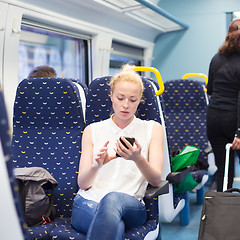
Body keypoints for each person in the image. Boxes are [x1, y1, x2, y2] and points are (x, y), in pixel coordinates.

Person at [71, 64, 164, 240]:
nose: (125, 105)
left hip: (130, 205)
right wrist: (97, 165)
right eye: (120, 98)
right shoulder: (92, 130)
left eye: (133, 100)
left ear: (140, 100)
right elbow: (83, 183)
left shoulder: (152, 129)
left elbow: (155, 179)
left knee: (112, 200)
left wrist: (138, 159)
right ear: (111, 96)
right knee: (114, 225)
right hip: (88, 203)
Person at [206, 19, 240, 192]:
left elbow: (210, 89)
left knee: (223, 170)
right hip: (234, 118)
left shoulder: (216, 58)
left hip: (213, 118)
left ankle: (223, 213)